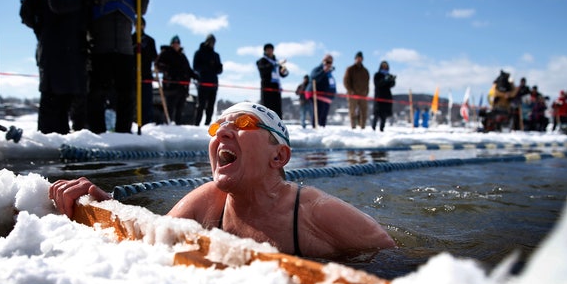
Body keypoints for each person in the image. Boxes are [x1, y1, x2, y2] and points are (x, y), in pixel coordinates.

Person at [48, 102, 396, 259]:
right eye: (217, 127)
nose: (223, 130)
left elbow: (397, 262)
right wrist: (104, 203)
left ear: (279, 157)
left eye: (243, 123)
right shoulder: (208, 201)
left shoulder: (317, 212)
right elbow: (151, 235)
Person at [20, 0, 89, 135]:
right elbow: (56, 3)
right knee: (53, 100)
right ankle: (50, 143)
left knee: (64, 100)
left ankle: (60, 141)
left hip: (67, 49)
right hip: (56, 49)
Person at [81, 0, 149, 134]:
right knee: (97, 93)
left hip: (125, 50)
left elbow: (142, 8)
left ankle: (124, 132)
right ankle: (97, 132)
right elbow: (83, 12)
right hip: (99, 48)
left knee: (127, 94)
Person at [155, 35, 198, 125]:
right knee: (170, 107)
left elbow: (188, 69)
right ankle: (167, 124)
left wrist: (196, 76)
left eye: (177, 43)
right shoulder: (166, 53)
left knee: (180, 108)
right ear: (171, 44)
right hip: (171, 86)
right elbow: (157, 65)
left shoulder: (182, 56)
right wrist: (169, 70)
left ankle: (178, 126)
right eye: (174, 43)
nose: (176, 45)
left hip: (182, 87)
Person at [192, 34, 223, 126]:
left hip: (213, 84)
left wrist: (218, 68)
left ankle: (207, 124)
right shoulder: (199, 53)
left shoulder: (216, 55)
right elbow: (195, 67)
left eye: (214, 42)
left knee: (210, 106)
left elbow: (219, 70)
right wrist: (208, 67)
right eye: (211, 42)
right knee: (200, 105)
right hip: (203, 82)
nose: (212, 44)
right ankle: (196, 124)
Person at [131, 17, 157, 126]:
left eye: (140, 24)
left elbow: (154, 56)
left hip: (146, 75)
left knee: (146, 102)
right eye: (136, 24)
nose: (138, 26)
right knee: (132, 101)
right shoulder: (130, 38)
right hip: (133, 75)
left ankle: (146, 124)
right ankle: (133, 122)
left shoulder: (149, 41)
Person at [257, 43, 289, 119]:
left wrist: (283, 71)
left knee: (277, 109)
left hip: (276, 87)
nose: (270, 51)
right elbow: (263, 70)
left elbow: (283, 74)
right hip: (266, 87)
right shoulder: (262, 61)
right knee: (267, 108)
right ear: (265, 51)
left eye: (271, 49)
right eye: (268, 50)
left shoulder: (276, 62)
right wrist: (275, 65)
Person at [305, 54, 337, 127]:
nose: (329, 64)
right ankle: (315, 129)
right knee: (317, 114)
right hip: (317, 95)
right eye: (327, 61)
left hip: (327, 97)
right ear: (323, 61)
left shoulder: (330, 73)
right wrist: (323, 71)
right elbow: (313, 79)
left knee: (323, 117)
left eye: (330, 62)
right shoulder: (317, 69)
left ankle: (322, 129)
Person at [344, 51, 370, 130]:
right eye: (358, 58)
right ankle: (353, 127)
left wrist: (366, 92)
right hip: (353, 94)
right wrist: (350, 90)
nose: (359, 60)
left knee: (363, 111)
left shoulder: (365, 71)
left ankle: (362, 127)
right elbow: (346, 81)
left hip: (363, 94)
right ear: (355, 59)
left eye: (361, 58)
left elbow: (367, 82)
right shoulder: (350, 69)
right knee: (352, 111)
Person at [371, 61, 396, 132]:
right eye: (383, 66)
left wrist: (392, 80)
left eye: (386, 66)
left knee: (384, 115)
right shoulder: (377, 75)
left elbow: (391, 85)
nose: (385, 67)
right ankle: (373, 128)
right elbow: (377, 84)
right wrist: (385, 80)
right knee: (377, 113)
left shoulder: (388, 75)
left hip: (387, 97)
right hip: (379, 97)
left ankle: (382, 129)